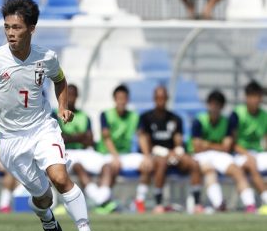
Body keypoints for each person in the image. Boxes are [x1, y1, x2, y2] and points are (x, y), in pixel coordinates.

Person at [0, 0, 101, 231]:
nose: (10, 33)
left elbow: (60, 79)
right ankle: (45, 215)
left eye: (16, 28)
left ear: (32, 28)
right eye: (7, 27)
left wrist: (62, 106)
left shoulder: (46, 57)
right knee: (43, 196)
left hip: (42, 129)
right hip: (12, 141)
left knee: (60, 178)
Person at [138, 86, 203, 214]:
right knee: (161, 163)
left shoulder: (175, 118)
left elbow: (178, 139)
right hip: (155, 154)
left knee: (194, 163)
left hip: (172, 153)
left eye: (163, 98)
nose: (160, 100)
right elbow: (143, 138)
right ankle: (158, 203)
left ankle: (197, 203)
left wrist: (177, 151)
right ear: (154, 99)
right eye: (158, 98)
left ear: (167, 99)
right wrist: (148, 155)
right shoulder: (146, 117)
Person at [190, 90, 256, 213]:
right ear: (208, 105)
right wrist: (217, 145)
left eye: (218, 105)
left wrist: (207, 144)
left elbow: (226, 147)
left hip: (221, 155)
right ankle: (219, 204)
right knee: (209, 171)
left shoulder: (227, 122)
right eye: (212, 104)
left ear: (222, 107)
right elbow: (197, 147)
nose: (214, 108)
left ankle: (250, 205)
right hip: (202, 155)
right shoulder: (199, 121)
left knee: (237, 171)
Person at [56, 84, 116, 214]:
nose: (71, 98)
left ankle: (99, 198)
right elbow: (60, 138)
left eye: (73, 95)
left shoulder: (85, 116)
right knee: (78, 167)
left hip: (84, 151)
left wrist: (71, 137)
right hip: (66, 152)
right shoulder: (56, 116)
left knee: (106, 166)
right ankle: (101, 201)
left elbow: (89, 139)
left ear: (77, 97)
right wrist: (79, 137)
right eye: (69, 95)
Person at [98, 85, 153, 214]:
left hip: (126, 154)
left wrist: (147, 156)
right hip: (108, 153)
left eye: (124, 98)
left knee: (147, 165)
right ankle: (105, 201)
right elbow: (106, 138)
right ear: (114, 99)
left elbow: (141, 136)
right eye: (119, 98)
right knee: (112, 166)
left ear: (128, 100)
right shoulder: (105, 114)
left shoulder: (134, 116)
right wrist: (115, 156)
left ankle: (139, 200)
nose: (122, 101)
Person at [228, 81, 267, 215]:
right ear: (246, 97)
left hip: (259, 153)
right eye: (252, 96)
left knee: (253, 163)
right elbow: (232, 144)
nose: (255, 100)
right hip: (239, 154)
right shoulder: (237, 114)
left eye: (257, 96)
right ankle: (262, 201)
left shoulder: (264, 116)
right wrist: (247, 154)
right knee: (250, 164)